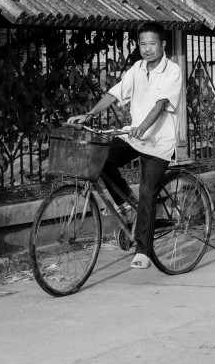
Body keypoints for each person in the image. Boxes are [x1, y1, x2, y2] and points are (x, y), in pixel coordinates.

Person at [67, 23, 181, 269]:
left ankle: (143, 251)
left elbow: (161, 104)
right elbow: (114, 94)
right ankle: (127, 206)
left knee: (147, 191)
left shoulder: (173, 71)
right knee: (101, 161)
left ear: (163, 45)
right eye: (143, 44)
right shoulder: (137, 69)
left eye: (152, 44)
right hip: (135, 137)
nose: (147, 49)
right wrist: (89, 114)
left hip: (159, 142)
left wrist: (143, 126)